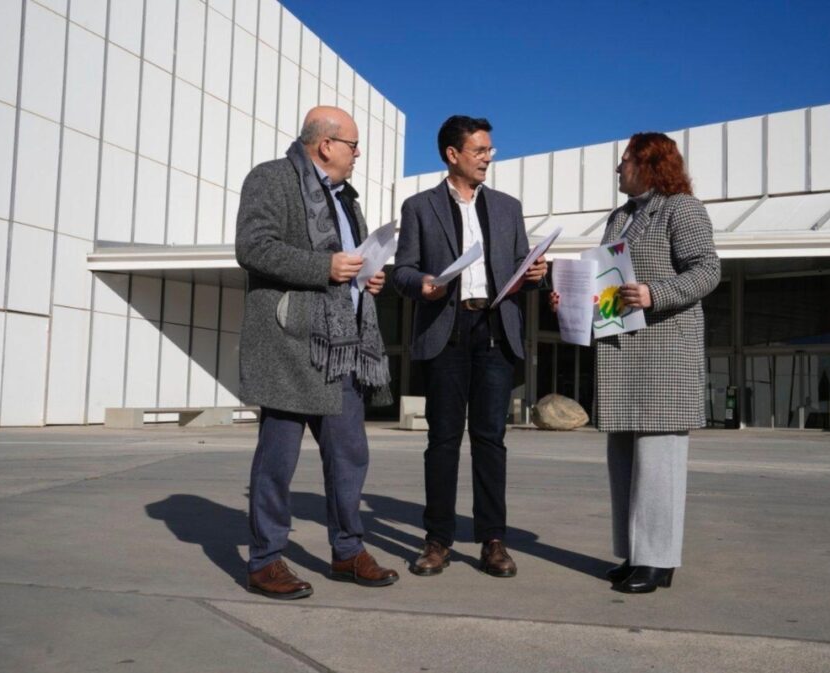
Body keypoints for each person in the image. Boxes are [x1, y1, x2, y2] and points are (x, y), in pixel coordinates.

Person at [236, 105, 399, 599]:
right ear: (326, 144)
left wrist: (368, 275)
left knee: (350, 455)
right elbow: (254, 247)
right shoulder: (271, 179)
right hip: (290, 346)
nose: (357, 154)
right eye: (352, 144)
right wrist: (324, 266)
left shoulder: (346, 198)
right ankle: (266, 560)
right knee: (277, 461)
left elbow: (348, 264)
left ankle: (348, 552)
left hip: (340, 349)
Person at [551, 132, 720, 593]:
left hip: (663, 352)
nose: (618, 168)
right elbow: (608, 279)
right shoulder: (621, 217)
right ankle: (635, 553)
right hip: (621, 353)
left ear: (649, 163)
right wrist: (572, 299)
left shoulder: (682, 208)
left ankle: (658, 559)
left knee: (659, 460)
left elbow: (707, 269)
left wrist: (654, 293)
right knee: (624, 460)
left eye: (624, 160)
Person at [392, 115, 547, 578]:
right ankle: (437, 540)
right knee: (442, 440)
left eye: (489, 150)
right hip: (447, 329)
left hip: (495, 329)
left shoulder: (507, 207)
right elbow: (402, 270)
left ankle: (492, 541)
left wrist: (535, 274)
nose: (488, 158)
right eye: (479, 150)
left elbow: (519, 264)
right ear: (452, 154)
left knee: (490, 441)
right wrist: (420, 282)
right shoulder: (419, 206)